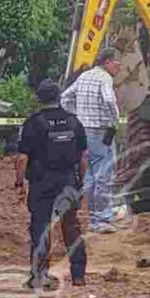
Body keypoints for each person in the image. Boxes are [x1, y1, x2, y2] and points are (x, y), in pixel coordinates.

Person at [16, 79, 89, 290]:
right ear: (59, 97)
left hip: (42, 183)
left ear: (39, 99)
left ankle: (39, 276)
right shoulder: (74, 122)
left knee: (40, 228)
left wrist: (19, 183)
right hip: (68, 181)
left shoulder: (33, 123)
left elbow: (22, 158)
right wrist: (81, 181)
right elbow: (83, 156)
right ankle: (78, 276)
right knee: (71, 227)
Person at [61, 48, 122, 233]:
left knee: (90, 175)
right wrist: (114, 121)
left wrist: (75, 115)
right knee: (103, 174)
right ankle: (101, 219)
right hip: (100, 131)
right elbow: (110, 101)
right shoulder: (105, 78)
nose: (118, 67)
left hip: (83, 130)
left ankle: (94, 216)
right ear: (107, 62)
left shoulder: (84, 76)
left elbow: (64, 98)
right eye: (117, 63)